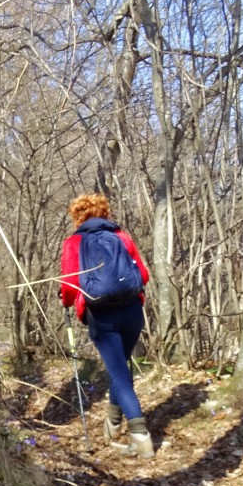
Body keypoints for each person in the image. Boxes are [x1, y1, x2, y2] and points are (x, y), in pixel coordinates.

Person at [59, 193, 154, 458]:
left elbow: (69, 286)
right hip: (133, 311)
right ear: (105, 213)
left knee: (118, 373)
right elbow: (143, 275)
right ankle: (112, 422)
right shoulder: (122, 237)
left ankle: (139, 436)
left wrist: (65, 301)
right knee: (120, 369)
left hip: (102, 316)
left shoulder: (74, 242)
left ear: (77, 217)